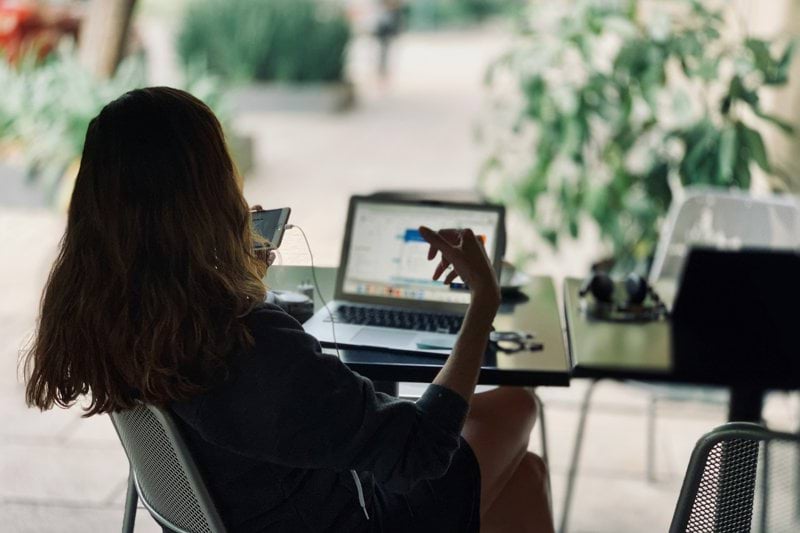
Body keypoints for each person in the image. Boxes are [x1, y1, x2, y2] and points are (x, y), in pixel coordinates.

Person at [23, 87, 553, 532]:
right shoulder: (246, 342)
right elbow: (419, 454)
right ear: (207, 194)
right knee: (517, 406)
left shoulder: (112, 314)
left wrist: (241, 281)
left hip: (263, 507)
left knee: (523, 476)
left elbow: (253, 402)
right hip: (342, 520)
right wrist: (482, 303)